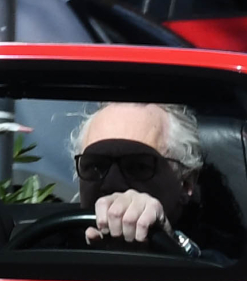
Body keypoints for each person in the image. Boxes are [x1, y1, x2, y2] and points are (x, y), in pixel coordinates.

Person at [72, 102, 210, 248]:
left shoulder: (220, 261)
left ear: (186, 182)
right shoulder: (49, 244)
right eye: (94, 166)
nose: (111, 183)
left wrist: (169, 245)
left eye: (138, 167)